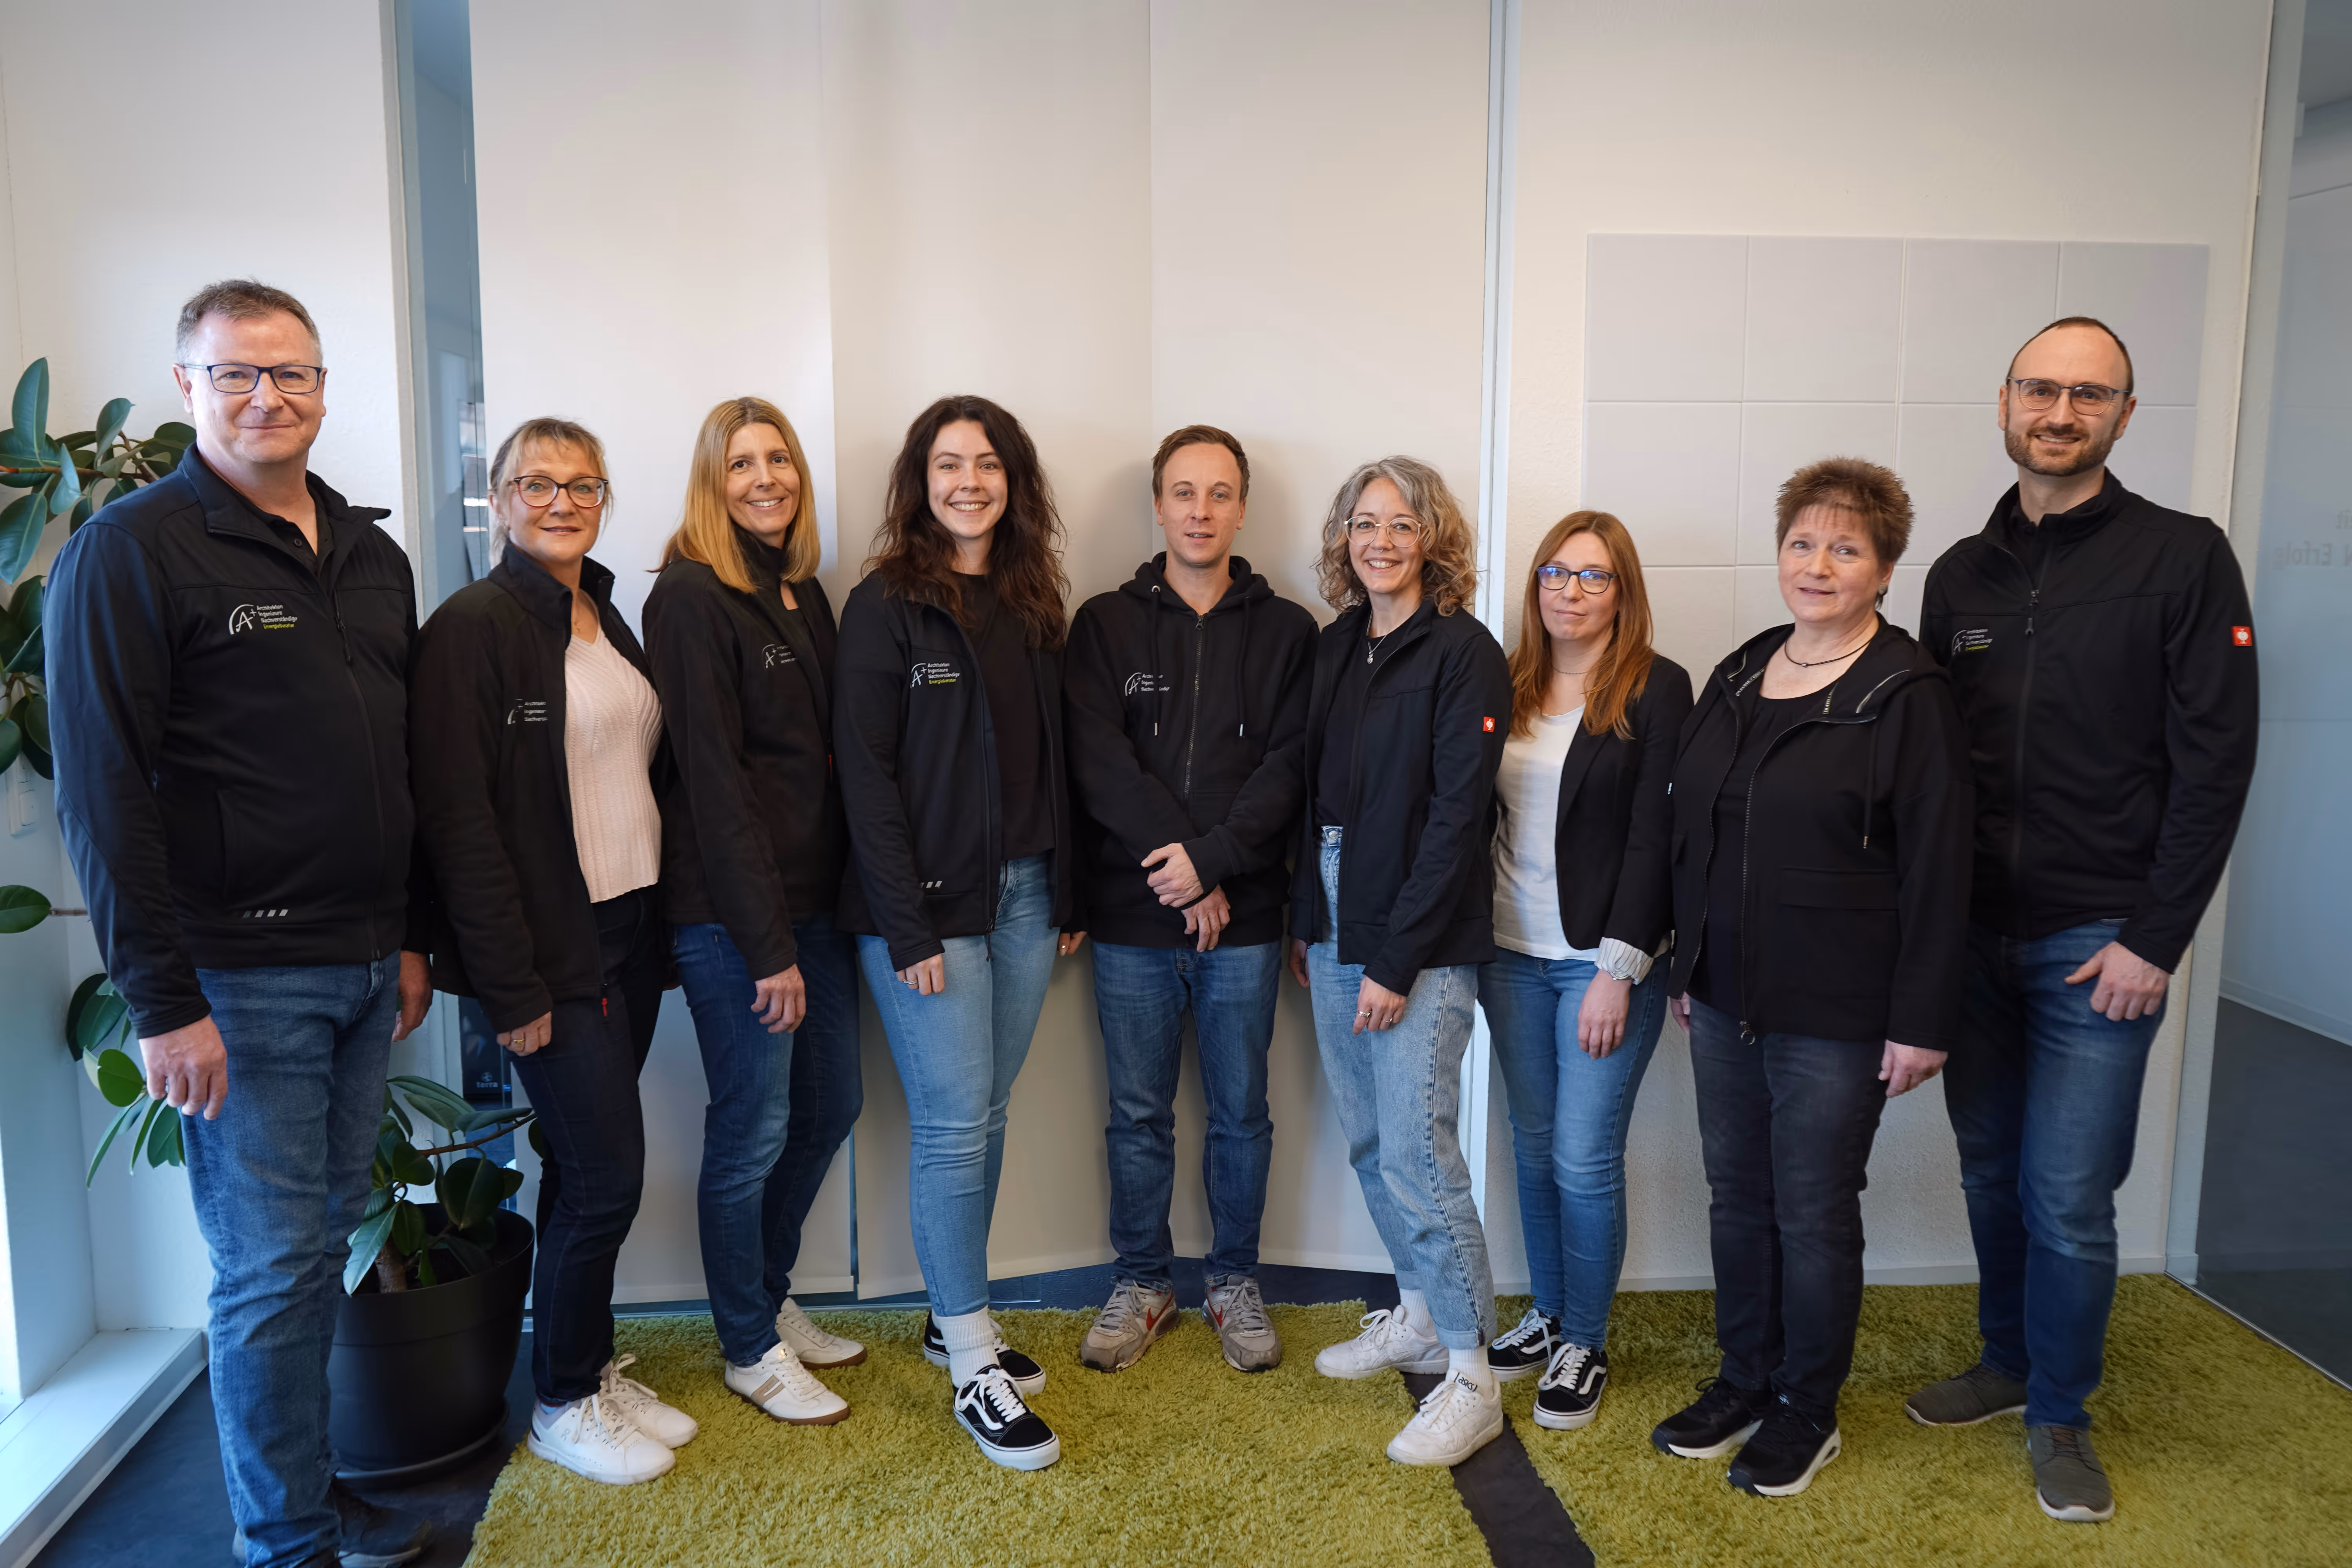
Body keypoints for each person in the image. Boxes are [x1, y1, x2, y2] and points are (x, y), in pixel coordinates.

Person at [45, 280, 435, 1568]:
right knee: (270, 1272)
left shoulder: (374, 558)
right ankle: (289, 1548)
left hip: (367, 967)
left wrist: (412, 935)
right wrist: (163, 1002)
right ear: (187, 389)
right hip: (242, 983)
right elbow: (101, 793)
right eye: (236, 376)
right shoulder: (134, 551)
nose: (268, 398)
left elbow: (402, 762)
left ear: (325, 386)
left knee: (313, 1252)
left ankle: (311, 1505)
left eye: (293, 374)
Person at [1910, 318, 2259, 1524]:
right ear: (2006, 399)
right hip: (1971, 937)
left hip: (2098, 942)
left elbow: (2217, 758)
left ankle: (2061, 1411)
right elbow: (1927, 768)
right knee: (1992, 1167)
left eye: (2089, 394)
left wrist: (2155, 937)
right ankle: (2007, 1364)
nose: (2061, 411)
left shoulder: (2184, 556)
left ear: (2123, 414)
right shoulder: (1958, 573)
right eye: (2042, 389)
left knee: (2067, 1191)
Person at [1652, 457, 1971, 1499]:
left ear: (1883, 568)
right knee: (1737, 1200)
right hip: (1727, 998)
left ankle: (1806, 1409)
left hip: (1838, 1012)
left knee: (1814, 1210)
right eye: (1803, 543)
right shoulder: (1743, 669)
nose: (1819, 564)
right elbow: (1695, 829)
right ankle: (1744, 1379)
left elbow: (1938, 865)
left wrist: (1923, 1019)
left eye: (1846, 548)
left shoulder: (1907, 693)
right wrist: (1687, 962)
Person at [409, 417, 696, 1486]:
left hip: (627, 931)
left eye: (583, 485)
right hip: (548, 954)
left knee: (583, 1168)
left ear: (605, 498)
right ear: (499, 497)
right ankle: (565, 1405)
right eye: (537, 484)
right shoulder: (474, 627)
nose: (562, 501)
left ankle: (582, 1364)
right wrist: (507, 981)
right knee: (611, 1175)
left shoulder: (600, 614)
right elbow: (459, 822)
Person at [834, 394, 1086, 1470]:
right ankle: (975, 1361)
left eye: (988, 464)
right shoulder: (885, 604)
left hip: (1028, 898)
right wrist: (906, 925)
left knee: (983, 1114)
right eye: (949, 465)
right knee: (949, 1127)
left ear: (1014, 480)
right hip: (930, 912)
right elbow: (867, 776)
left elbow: (1055, 759)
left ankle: (951, 1318)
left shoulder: (1034, 603)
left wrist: (1068, 888)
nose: (969, 482)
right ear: (920, 482)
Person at [1063, 425, 1316, 1375]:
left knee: (1242, 1108)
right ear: (1158, 507)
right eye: (1182, 492)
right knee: (1137, 1110)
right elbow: (1101, 762)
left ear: (1242, 507)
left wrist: (1212, 865)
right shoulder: (1103, 623)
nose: (1200, 510)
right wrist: (1179, 872)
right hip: (1133, 920)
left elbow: (1288, 767)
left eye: (1218, 493)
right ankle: (1143, 1278)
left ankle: (1234, 1279)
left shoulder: (1290, 631)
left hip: (1244, 920)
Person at [644, 397, 862, 1426]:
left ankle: (769, 1298)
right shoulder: (690, 599)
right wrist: (765, 944)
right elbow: (716, 785)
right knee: (751, 1128)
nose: (766, 477)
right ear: (712, 481)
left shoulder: (798, 589)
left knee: (831, 1105)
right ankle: (745, 1344)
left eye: (779, 459)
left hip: (811, 909)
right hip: (736, 920)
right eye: (742, 464)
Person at [1292, 456, 1512, 1467]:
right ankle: (1420, 1314)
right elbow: (1314, 801)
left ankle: (1473, 1374)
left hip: (1413, 928)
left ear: (1433, 537)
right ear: (1344, 537)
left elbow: (1457, 819)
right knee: (1373, 1137)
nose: (1380, 539)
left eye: (1401, 522)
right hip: (1337, 910)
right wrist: (1312, 923)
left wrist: (1393, 958)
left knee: (1423, 1152)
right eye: (1363, 522)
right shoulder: (1339, 645)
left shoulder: (1465, 651)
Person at [1477, 510, 1691, 1431]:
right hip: (1508, 952)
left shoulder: (1658, 688)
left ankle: (1587, 1341)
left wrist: (1621, 965)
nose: (1570, 591)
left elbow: (1660, 836)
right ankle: (1550, 1312)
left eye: (1594, 576)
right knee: (1531, 1150)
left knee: (1582, 1157)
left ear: (1624, 591)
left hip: (1601, 963)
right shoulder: (1508, 682)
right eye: (1555, 573)